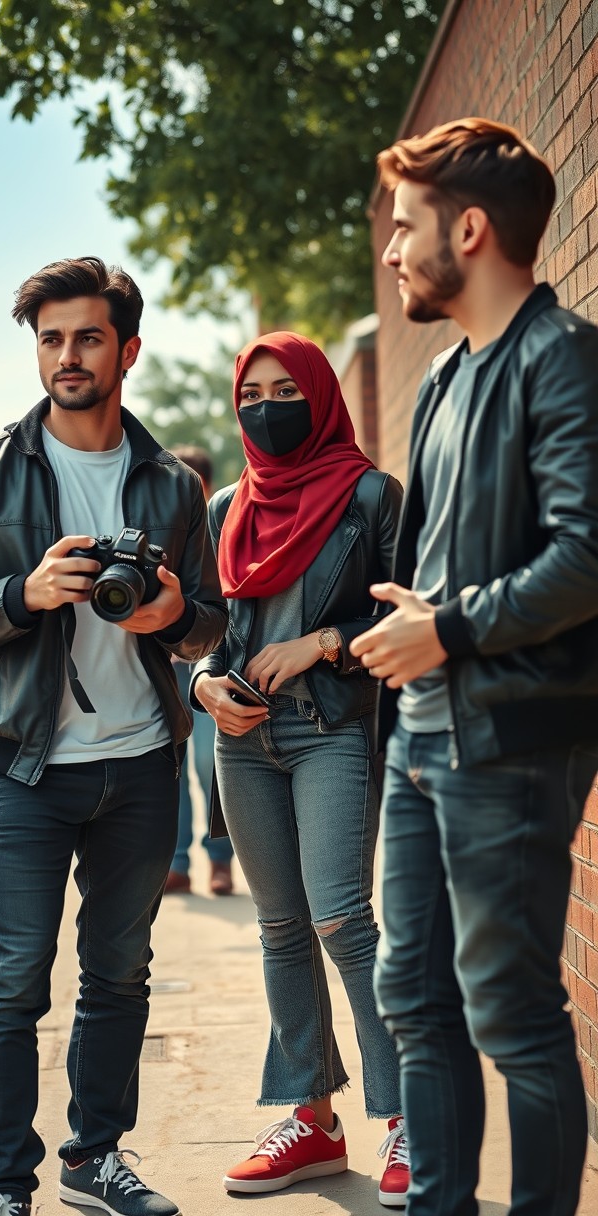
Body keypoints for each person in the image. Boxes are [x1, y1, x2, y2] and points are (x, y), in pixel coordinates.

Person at [0, 256, 227, 1216]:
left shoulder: (171, 484)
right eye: (50, 339)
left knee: (120, 972)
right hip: (29, 766)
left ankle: (95, 1158)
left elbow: (212, 624)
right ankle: (1, 1185)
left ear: (127, 349)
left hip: (140, 764)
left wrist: (170, 616)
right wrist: (22, 592)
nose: (67, 356)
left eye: (87, 336)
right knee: (10, 980)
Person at [350, 118, 598, 1216]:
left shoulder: (564, 360)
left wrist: (445, 629)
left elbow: (587, 555)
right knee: (412, 991)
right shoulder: (445, 379)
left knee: (510, 1009)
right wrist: (414, 621)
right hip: (424, 733)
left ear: (469, 227)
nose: (393, 251)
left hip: (511, 735)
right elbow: (448, 554)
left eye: (405, 227)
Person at [192, 332, 409, 1207]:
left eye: (285, 390)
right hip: (241, 741)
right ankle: (312, 1120)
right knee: (279, 929)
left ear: (319, 394)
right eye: (252, 394)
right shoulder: (223, 509)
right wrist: (206, 682)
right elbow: (202, 635)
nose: (266, 408)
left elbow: (408, 620)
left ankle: (410, 1121)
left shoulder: (369, 496)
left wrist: (323, 644)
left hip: (331, 730)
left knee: (342, 922)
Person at [164, 444, 234, 896]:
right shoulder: (161, 530)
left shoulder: (224, 529)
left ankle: (220, 862)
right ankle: (177, 864)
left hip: (209, 667)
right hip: (165, 671)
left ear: (201, 485)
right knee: (170, 769)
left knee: (212, 766)